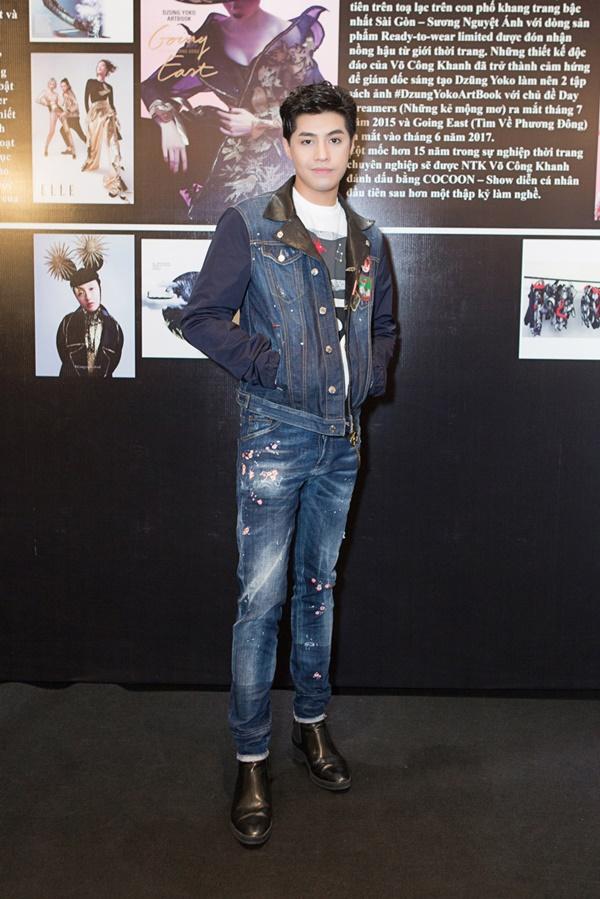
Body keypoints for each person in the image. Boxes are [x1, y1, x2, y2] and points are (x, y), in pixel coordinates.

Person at [181, 81, 397, 845]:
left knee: (319, 589)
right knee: (260, 602)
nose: (322, 153)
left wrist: (368, 376)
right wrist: (268, 365)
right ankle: (251, 756)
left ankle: (311, 724)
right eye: (308, 139)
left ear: (352, 145)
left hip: (344, 439)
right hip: (276, 434)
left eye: (335, 138)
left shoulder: (369, 236)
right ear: (286, 145)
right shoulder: (251, 223)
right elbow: (202, 316)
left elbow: (385, 325)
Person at [141, 0, 327, 222]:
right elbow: (153, 85)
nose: (233, 3)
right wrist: (167, 122)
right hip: (228, 147)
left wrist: (259, 123)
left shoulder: (290, 37)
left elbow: (319, 108)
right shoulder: (211, 35)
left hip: (279, 154)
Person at [46, 237, 124, 377]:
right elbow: (64, 357)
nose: (88, 297)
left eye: (92, 289)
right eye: (80, 293)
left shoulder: (115, 328)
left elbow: (113, 363)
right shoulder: (66, 324)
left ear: (99, 287)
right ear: (75, 295)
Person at [82, 59, 128, 199]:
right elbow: (86, 99)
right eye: (98, 65)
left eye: (102, 65)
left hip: (107, 112)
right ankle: (91, 162)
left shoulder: (109, 87)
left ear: (106, 70)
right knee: (94, 144)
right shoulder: (90, 82)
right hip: (95, 114)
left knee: (111, 142)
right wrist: (88, 116)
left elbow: (111, 104)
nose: (99, 67)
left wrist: (116, 117)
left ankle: (115, 178)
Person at [36, 77, 75, 158]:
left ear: (55, 85)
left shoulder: (56, 94)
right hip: (53, 112)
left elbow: (61, 104)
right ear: (48, 84)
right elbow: (37, 99)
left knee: (67, 130)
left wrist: (66, 101)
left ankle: (73, 150)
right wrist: (46, 103)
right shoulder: (45, 92)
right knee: (51, 132)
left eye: (53, 84)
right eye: (51, 83)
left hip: (59, 111)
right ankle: (46, 148)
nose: (52, 85)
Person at [60, 78, 87, 151]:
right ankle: (70, 148)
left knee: (80, 134)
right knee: (63, 130)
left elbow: (76, 105)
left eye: (64, 86)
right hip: (70, 117)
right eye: (61, 86)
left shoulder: (70, 93)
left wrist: (66, 111)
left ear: (68, 85)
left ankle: (91, 147)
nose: (63, 88)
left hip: (74, 118)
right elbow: (66, 104)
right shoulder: (65, 93)